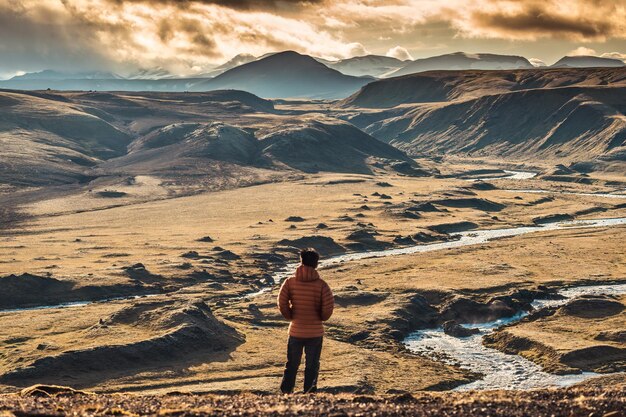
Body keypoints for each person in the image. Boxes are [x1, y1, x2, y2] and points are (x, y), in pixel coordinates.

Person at [277, 248, 334, 394]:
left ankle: (285, 394)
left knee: (292, 365)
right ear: (316, 264)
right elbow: (328, 308)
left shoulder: (290, 282)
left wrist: (290, 316)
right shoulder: (322, 285)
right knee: (312, 365)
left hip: (296, 331)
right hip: (315, 333)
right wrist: (320, 317)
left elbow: (281, 302)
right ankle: (309, 394)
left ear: (301, 261)